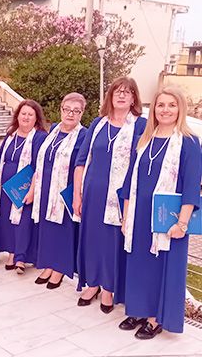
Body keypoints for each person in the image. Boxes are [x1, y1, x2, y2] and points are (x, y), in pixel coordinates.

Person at [119, 87, 201, 339]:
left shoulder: (189, 142)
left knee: (162, 267)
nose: (165, 110)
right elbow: (129, 181)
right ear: (153, 108)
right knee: (140, 264)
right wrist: (126, 216)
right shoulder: (144, 139)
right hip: (140, 215)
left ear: (180, 109)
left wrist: (182, 223)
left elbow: (191, 187)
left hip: (169, 219)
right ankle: (139, 309)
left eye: (172, 105)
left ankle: (155, 318)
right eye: (161, 105)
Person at [74, 77, 146, 314]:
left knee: (112, 242)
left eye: (127, 92)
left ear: (134, 98)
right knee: (92, 239)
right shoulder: (98, 123)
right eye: (117, 91)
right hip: (93, 193)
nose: (122, 95)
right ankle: (92, 283)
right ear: (110, 96)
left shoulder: (140, 126)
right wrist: (77, 195)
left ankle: (108, 288)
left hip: (120, 197)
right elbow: (81, 161)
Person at [31, 93, 87, 288]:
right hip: (46, 186)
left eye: (76, 111)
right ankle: (49, 264)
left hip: (66, 190)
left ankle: (59, 269)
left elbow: (83, 165)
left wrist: (78, 194)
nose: (70, 114)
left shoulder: (84, 135)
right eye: (67, 109)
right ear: (61, 110)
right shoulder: (53, 129)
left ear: (82, 113)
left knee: (63, 230)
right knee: (47, 228)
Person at [0, 99, 47, 274]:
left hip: (25, 186)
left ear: (36, 118)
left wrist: (32, 190)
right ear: (17, 116)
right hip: (6, 187)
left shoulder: (40, 137)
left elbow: (40, 166)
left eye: (30, 114)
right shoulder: (11, 134)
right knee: (7, 220)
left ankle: (21, 258)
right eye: (23, 113)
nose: (26, 117)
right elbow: (1, 156)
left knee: (23, 222)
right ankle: (11, 253)